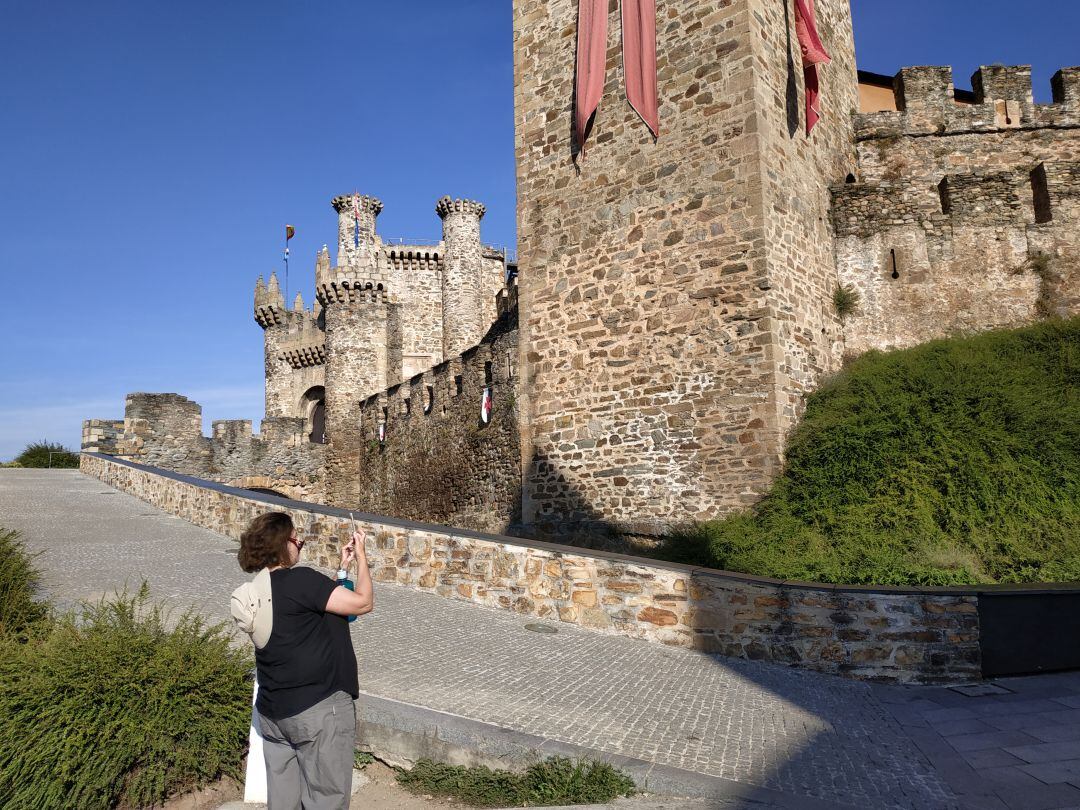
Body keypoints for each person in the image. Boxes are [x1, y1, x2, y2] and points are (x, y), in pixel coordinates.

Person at [234, 512, 373, 810]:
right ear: (283, 544)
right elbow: (362, 603)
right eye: (298, 539)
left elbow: (327, 612)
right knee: (325, 800)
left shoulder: (257, 590)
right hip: (319, 710)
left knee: (283, 804)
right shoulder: (302, 580)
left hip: (274, 717)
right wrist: (362, 557)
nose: (300, 545)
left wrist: (342, 573)